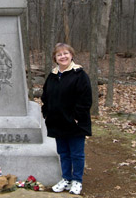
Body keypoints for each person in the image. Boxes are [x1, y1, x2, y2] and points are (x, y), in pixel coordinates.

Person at [41, 43, 92, 195]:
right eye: (59, 55)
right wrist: (46, 113)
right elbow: (46, 97)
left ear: (71, 55)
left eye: (65, 53)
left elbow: (85, 100)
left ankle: (77, 180)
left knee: (76, 153)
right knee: (63, 153)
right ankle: (66, 179)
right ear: (55, 58)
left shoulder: (80, 75)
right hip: (57, 121)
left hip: (75, 122)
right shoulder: (52, 76)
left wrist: (77, 117)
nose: (63, 57)